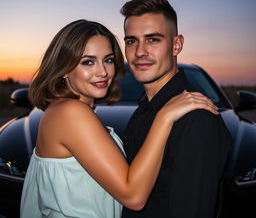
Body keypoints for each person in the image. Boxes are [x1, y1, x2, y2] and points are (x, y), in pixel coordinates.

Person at [20, 19, 219, 218]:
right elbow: (134, 197)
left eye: (107, 60)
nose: (103, 72)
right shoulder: (70, 112)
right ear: (63, 69)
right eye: (88, 62)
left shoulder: (64, 110)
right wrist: (164, 116)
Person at [120, 0, 232, 218]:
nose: (140, 51)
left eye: (153, 39)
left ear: (176, 45)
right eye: (132, 40)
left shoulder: (196, 118)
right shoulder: (144, 111)